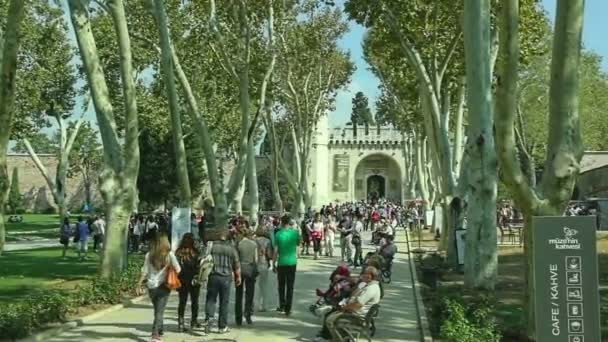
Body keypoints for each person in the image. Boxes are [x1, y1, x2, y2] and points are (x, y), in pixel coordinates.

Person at [315, 266, 382, 341]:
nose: (365, 275)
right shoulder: (367, 285)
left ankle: (333, 338)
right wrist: (358, 288)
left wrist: (345, 307)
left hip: (357, 316)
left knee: (330, 319)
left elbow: (358, 304)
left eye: (368, 274)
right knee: (332, 311)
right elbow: (353, 294)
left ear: (373, 276)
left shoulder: (371, 288)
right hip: (356, 312)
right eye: (364, 273)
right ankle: (332, 335)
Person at [139, 234, 181, 342]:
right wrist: (170, 268)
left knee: (157, 309)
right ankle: (155, 334)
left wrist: (139, 283)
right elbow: (178, 269)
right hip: (164, 285)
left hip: (151, 286)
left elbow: (145, 271)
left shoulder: (149, 255)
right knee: (159, 311)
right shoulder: (169, 255)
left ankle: (160, 329)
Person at [204, 228, 241, 334]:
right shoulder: (232, 248)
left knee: (211, 299)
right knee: (224, 302)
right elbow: (237, 264)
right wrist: (238, 277)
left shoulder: (212, 246)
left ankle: (209, 318)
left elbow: (204, 259)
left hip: (213, 276)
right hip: (226, 277)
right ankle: (222, 326)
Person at [273, 215, 301, 316]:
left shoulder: (278, 234)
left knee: (281, 285)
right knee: (290, 286)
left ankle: (282, 305)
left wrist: (273, 263)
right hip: (292, 262)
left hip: (282, 262)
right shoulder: (295, 233)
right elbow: (298, 245)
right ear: (289, 222)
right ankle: (288, 308)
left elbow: (276, 251)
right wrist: (297, 255)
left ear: (281, 222)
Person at [175, 233, 201, 332]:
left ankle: (180, 323)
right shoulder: (195, 252)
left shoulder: (178, 252)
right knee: (195, 301)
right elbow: (199, 266)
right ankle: (193, 321)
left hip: (182, 280)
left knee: (182, 302)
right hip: (194, 280)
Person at [235, 229, 258, 325]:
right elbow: (255, 259)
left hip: (240, 268)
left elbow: (236, 259)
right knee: (250, 293)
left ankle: (238, 317)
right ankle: (248, 314)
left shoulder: (239, 244)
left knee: (238, 294)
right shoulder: (253, 244)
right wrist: (256, 270)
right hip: (250, 268)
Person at [255, 227, 273, 312]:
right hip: (264, 263)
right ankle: (263, 305)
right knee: (264, 285)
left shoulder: (253, 240)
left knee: (255, 286)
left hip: (254, 264)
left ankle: (255, 304)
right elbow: (269, 255)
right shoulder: (268, 241)